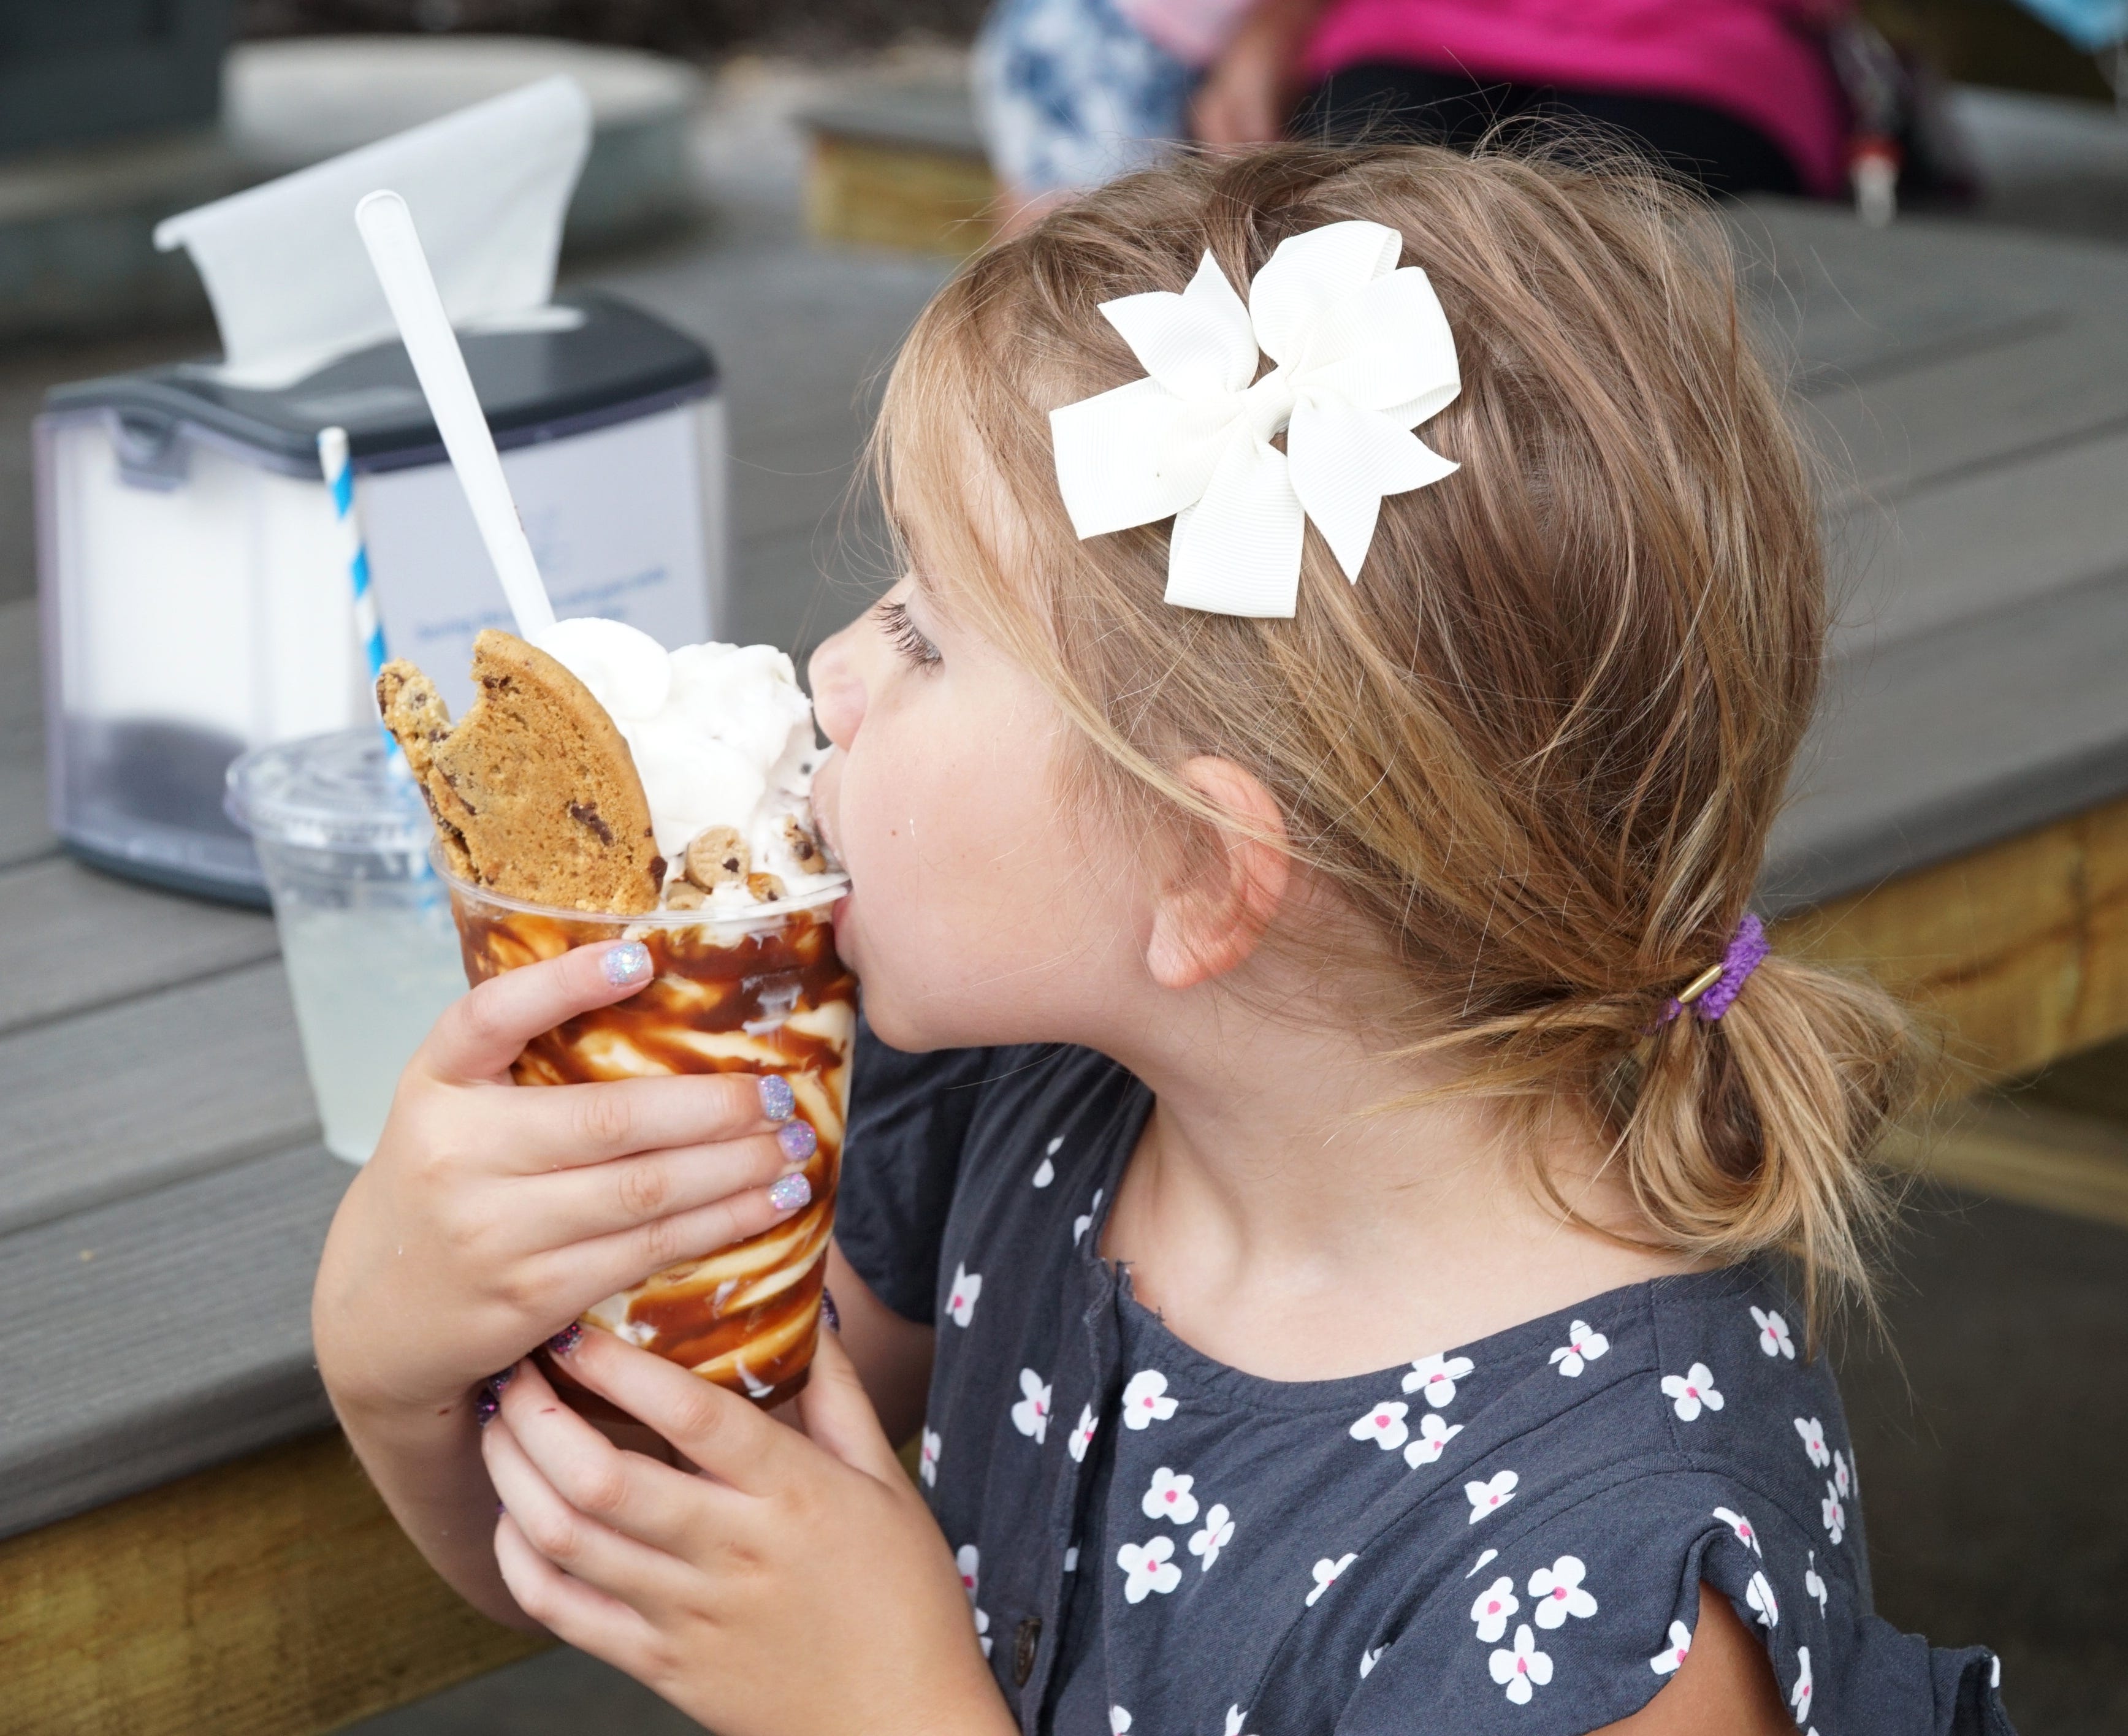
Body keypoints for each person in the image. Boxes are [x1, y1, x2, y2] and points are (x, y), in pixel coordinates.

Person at [312, 143, 2018, 1735]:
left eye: (921, 631)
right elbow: (646, 1540)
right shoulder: (1016, 1093)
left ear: (1206, 872)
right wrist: (397, 1338)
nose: (827, 673)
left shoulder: (1603, 1612)